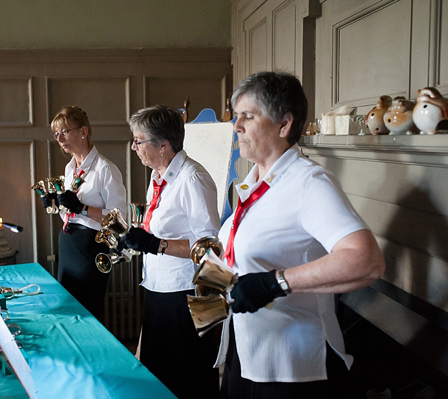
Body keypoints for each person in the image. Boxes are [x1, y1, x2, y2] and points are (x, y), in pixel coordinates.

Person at [217, 71, 386, 399]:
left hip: (291, 365)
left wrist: (273, 282)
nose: (236, 126)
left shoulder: (309, 182)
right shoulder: (254, 183)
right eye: (236, 116)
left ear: (284, 125)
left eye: (247, 117)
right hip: (247, 348)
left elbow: (366, 260)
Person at [120, 105, 221, 399]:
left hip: (188, 292)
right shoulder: (159, 176)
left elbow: (210, 246)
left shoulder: (192, 179)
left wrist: (157, 245)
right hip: (159, 286)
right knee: (159, 371)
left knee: (188, 376)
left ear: (163, 145)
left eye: (139, 140)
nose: (134, 147)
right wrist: (141, 239)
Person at [44, 105, 127, 320]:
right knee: (68, 309)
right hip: (69, 243)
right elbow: (70, 211)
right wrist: (57, 204)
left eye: (65, 131)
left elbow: (120, 220)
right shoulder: (70, 169)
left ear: (83, 131)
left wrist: (81, 207)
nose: (60, 138)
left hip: (92, 247)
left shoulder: (105, 169)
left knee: (87, 312)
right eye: (56, 133)